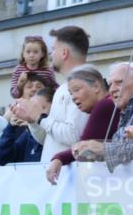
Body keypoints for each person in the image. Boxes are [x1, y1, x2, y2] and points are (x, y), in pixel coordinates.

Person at [16, 25, 90, 162]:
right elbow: (47, 139)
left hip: (70, 172)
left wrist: (40, 118)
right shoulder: (62, 88)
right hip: (55, 171)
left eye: (54, 49)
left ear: (64, 53)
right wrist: (32, 121)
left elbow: (74, 136)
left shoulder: (85, 84)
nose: (51, 55)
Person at [45, 65, 118, 184]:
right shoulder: (111, 103)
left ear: (96, 86)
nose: (73, 97)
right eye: (71, 93)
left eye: (77, 90)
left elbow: (82, 148)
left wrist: (59, 158)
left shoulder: (104, 105)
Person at [72, 62, 133, 171]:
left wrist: (104, 149)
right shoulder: (127, 109)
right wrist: (94, 151)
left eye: (119, 82)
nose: (112, 89)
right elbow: (125, 150)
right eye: (110, 84)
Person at [0, 88, 51, 165]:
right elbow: (4, 159)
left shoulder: (56, 133)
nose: (36, 112)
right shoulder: (28, 135)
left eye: (43, 107)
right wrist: (11, 127)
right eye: (32, 109)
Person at [10, 35, 57, 99]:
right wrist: (20, 84)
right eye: (28, 52)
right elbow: (14, 95)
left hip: (42, 103)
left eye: (35, 52)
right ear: (23, 53)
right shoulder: (18, 70)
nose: (31, 55)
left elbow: (55, 89)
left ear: (42, 54)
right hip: (24, 103)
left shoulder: (48, 70)